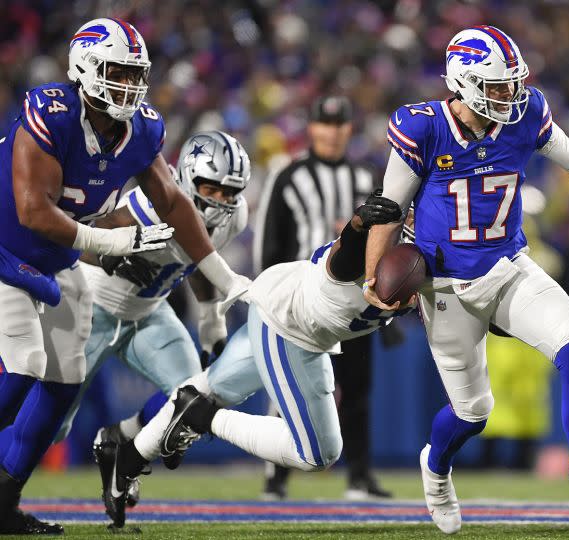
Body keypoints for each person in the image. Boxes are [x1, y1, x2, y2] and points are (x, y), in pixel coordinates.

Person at [362, 25, 569, 533]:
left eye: (513, 83)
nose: (510, 95)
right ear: (464, 81)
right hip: (446, 286)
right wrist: (374, 277)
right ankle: (436, 467)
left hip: (509, 267)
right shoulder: (423, 127)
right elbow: (388, 209)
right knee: (472, 414)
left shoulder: (528, 115)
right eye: (497, 87)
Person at [0, 18, 248, 535]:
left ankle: (4, 499)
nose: (129, 85)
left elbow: (174, 203)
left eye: (136, 74)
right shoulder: (52, 112)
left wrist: (223, 282)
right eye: (117, 72)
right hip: (8, 249)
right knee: (23, 367)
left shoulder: (141, 131)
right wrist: (109, 243)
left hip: (61, 263)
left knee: (63, 382)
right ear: (85, 66)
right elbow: (31, 210)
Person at [94, 192, 405, 528]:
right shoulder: (380, 254)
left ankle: (124, 457)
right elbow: (343, 259)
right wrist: (358, 227)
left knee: (204, 388)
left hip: (284, 305)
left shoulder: (431, 260)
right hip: (291, 326)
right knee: (318, 452)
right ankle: (206, 419)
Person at [57, 130, 249, 506]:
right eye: (213, 190)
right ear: (189, 177)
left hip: (149, 312)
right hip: (92, 309)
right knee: (52, 426)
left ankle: (119, 440)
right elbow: (80, 241)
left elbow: (197, 256)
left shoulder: (234, 218)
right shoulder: (149, 204)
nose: (222, 201)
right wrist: (112, 252)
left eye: (230, 193)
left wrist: (211, 319)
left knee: (196, 402)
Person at [255, 95, 388, 500]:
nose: (331, 132)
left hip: (354, 299)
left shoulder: (367, 176)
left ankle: (359, 476)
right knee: (289, 387)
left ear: (349, 129)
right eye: (324, 124)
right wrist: (269, 292)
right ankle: (276, 477)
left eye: (339, 124)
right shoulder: (289, 175)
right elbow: (271, 241)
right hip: (301, 299)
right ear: (312, 128)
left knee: (358, 390)